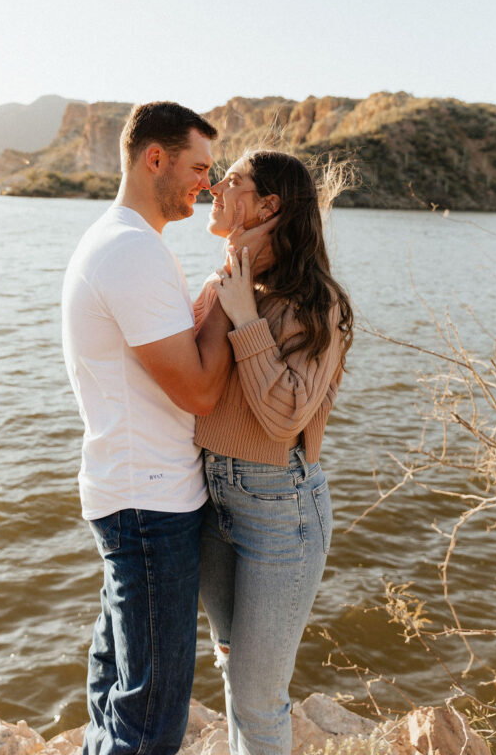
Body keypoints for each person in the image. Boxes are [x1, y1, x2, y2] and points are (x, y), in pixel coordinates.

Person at [61, 101, 233, 755]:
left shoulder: (122, 241)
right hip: (147, 503)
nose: (206, 184)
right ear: (152, 158)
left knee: (118, 690)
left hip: (130, 490)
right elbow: (196, 390)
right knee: (150, 720)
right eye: (197, 167)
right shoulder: (131, 251)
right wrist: (225, 300)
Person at [193, 150, 353, 755]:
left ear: (270, 207)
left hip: (279, 513)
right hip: (210, 505)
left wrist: (243, 318)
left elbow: (285, 414)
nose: (213, 187)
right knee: (234, 674)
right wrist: (231, 284)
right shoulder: (226, 283)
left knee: (260, 699)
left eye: (231, 181)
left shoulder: (317, 305)